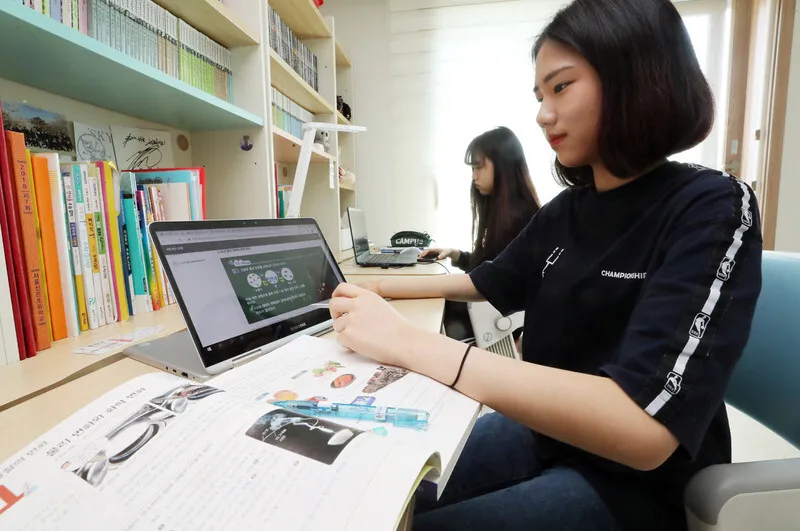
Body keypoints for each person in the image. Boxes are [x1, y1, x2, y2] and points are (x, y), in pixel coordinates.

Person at [326, 1, 763, 530]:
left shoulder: (711, 205)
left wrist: (409, 343)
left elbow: (643, 425)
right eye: (539, 95)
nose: (542, 113)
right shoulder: (565, 211)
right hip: (546, 432)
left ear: (637, 76)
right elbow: (484, 281)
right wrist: (367, 284)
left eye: (561, 87)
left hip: (633, 485)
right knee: (368, 486)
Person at [420, 126, 540, 340]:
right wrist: (455, 254)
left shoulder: (520, 218)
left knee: (424, 312)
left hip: (491, 323)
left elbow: (493, 280)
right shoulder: (500, 210)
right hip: (481, 313)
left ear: (503, 167)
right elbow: (492, 266)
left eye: (478, 168)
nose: (474, 176)